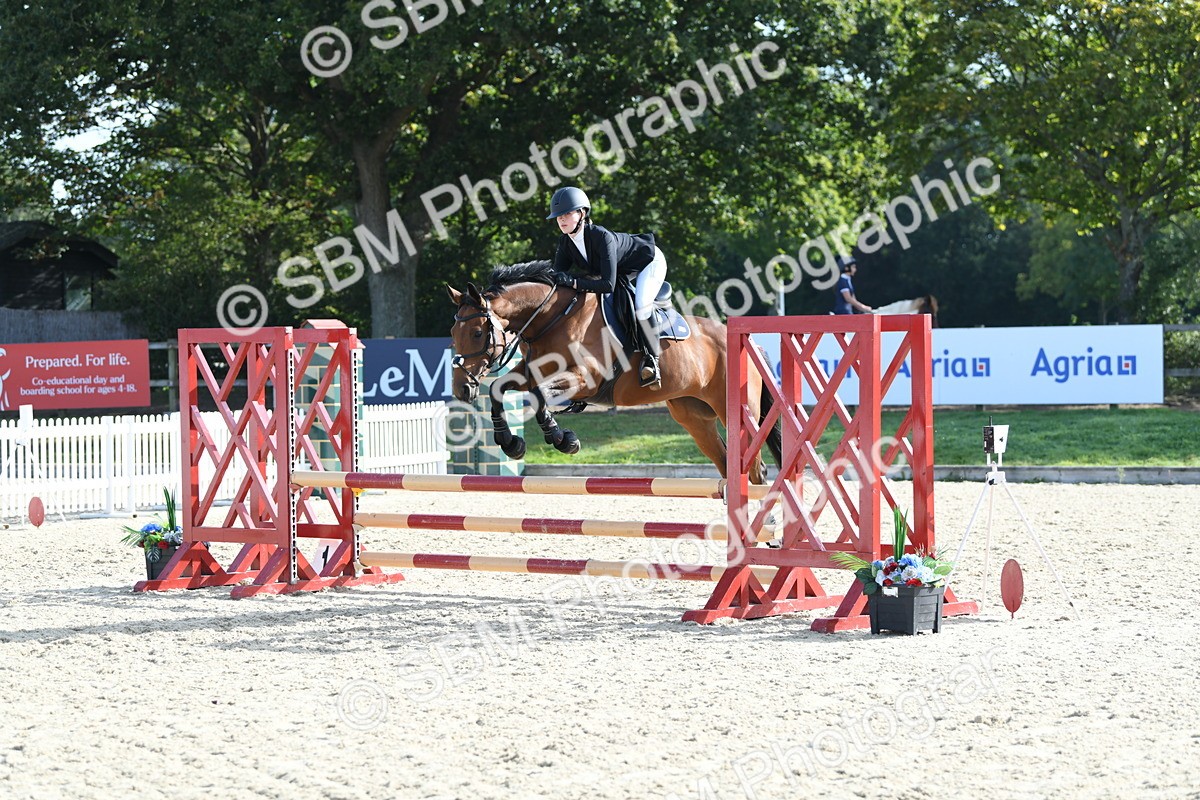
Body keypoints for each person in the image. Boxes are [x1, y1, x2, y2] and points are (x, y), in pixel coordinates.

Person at [546, 186, 667, 387]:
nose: (561, 219)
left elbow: (607, 285)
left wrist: (574, 282)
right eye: (558, 216)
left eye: (567, 213)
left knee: (642, 305)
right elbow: (557, 277)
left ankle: (652, 360)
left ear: (582, 213)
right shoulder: (566, 243)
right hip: (622, 268)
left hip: (648, 261)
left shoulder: (601, 237)